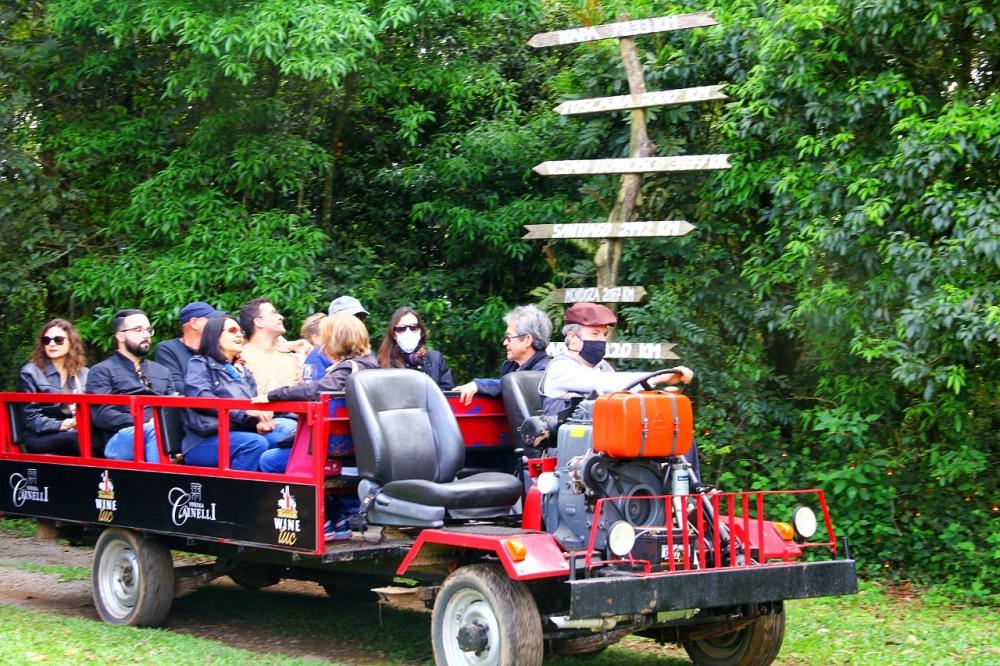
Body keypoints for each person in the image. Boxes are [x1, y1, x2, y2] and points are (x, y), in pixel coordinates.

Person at [540, 302, 699, 476]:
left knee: (676, 434)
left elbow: (625, 395)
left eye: (604, 334)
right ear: (572, 338)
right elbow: (605, 383)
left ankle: (686, 494)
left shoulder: (603, 367)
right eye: (594, 333)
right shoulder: (560, 368)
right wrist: (658, 377)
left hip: (606, 442)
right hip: (570, 449)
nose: (601, 340)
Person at [254, 313, 378, 478]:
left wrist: (273, 395)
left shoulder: (349, 369)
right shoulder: (371, 364)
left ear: (335, 341)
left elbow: (316, 390)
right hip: (360, 449)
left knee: (269, 460)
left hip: (341, 455)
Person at [181, 315, 295, 471]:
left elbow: (249, 409)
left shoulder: (243, 371)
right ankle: (237, 494)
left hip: (236, 433)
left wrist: (259, 423)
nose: (240, 335)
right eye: (232, 330)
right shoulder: (200, 363)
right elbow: (200, 396)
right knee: (255, 443)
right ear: (214, 335)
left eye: (241, 331)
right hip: (203, 439)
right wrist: (245, 412)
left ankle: (275, 491)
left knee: (284, 438)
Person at [86, 309, 175, 462]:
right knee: (156, 430)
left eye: (148, 330)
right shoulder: (101, 371)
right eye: (138, 330)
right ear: (120, 335)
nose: (146, 335)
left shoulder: (162, 372)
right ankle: (160, 481)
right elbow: (102, 415)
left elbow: (174, 406)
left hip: (159, 433)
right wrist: (146, 422)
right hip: (120, 439)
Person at [454, 305, 553, 405]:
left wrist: (479, 385)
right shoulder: (512, 367)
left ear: (527, 340)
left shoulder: (545, 371)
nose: (505, 342)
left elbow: (514, 387)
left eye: (509, 337)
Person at [17, 319, 90, 455]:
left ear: (71, 342)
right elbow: (30, 418)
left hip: (76, 431)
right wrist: (63, 425)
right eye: (46, 340)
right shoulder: (30, 372)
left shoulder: (84, 373)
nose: (51, 344)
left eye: (58, 340)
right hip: (41, 436)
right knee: (78, 439)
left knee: (104, 436)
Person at [376, 307, 453, 391]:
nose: (408, 332)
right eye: (401, 329)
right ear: (394, 334)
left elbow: (446, 394)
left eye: (414, 327)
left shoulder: (435, 359)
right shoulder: (384, 363)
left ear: (421, 331)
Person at [238, 297, 302, 395]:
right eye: (273, 313)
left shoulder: (290, 357)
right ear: (259, 322)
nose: (281, 317)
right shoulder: (241, 358)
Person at [154, 301, 225, 388]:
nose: (217, 324)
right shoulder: (167, 349)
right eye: (211, 320)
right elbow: (175, 385)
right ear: (194, 323)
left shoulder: (215, 350)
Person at [304, 296, 370, 380]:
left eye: (360, 317)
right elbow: (313, 391)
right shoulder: (318, 356)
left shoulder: (367, 354)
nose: (356, 323)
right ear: (333, 324)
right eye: (348, 319)